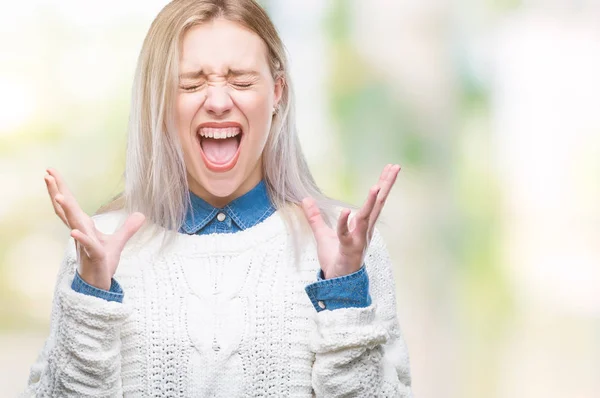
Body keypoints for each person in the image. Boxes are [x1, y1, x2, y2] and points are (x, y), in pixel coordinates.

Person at [23, 0, 412, 396]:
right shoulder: (97, 249)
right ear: (159, 101)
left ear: (277, 93)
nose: (219, 101)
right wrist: (92, 297)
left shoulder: (346, 247)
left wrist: (343, 295)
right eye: (191, 84)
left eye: (241, 81)